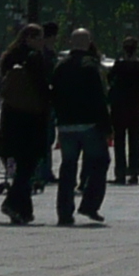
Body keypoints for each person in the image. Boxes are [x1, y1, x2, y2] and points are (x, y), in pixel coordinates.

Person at [50, 29, 110, 225]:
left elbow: (54, 94)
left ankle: (64, 212)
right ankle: (90, 204)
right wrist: (106, 124)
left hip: (66, 125)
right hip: (89, 123)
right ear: (89, 42)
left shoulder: (60, 66)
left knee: (68, 167)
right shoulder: (91, 66)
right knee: (100, 162)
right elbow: (100, 98)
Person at [0, 26, 51, 226]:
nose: (42, 41)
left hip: (11, 117)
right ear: (30, 38)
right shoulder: (34, 58)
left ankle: (24, 211)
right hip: (30, 118)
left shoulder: (8, 57)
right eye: (40, 38)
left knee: (20, 166)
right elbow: (42, 87)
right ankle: (11, 203)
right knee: (27, 166)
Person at [107, 38, 139, 185]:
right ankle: (134, 172)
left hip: (119, 105)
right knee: (134, 140)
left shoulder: (119, 65)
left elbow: (110, 79)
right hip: (135, 105)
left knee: (119, 140)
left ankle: (120, 173)